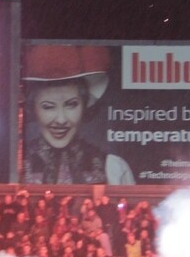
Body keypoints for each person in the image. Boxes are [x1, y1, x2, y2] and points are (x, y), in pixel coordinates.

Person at [21, 44, 134, 185]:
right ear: (33, 109)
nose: (61, 120)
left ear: (85, 105)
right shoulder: (17, 165)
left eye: (71, 105)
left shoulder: (112, 167)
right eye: (48, 107)